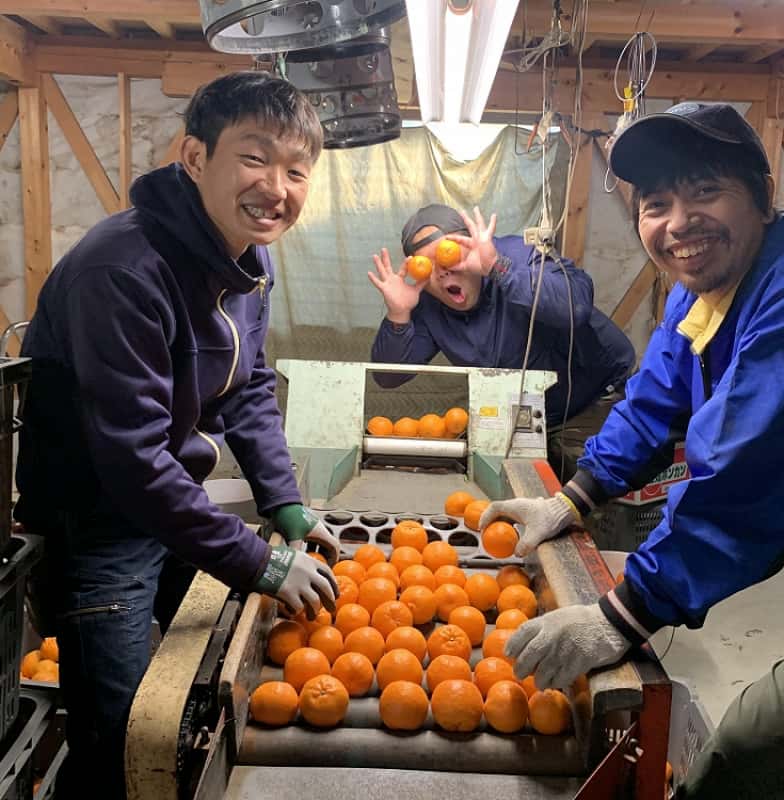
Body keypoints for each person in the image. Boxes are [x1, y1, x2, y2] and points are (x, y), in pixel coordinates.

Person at [14, 73, 340, 799]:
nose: (277, 188)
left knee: (205, 680)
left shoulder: (248, 258)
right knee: (125, 742)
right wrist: (259, 561)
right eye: (255, 158)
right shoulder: (122, 271)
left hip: (167, 508)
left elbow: (249, 385)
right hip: (95, 528)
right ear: (194, 157)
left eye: (296, 170)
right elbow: (132, 459)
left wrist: (284, 502)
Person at [480, 102, 784, 799]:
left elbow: (741, 468)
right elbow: (655, 398)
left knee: (754, 744)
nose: (679, 222)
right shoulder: (705, 289)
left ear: (762, 197)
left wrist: (623, 614)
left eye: (706, 190)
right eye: (657, 205)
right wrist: (575, 495)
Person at [368, 204, 635, 478]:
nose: (442, 272)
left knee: (584, 478)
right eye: (426, 266)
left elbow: (575, 305)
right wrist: (398, 316)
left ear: (468, 245)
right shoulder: (429, 301)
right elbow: (388, 377)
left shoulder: (515, 256)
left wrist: (497, 268)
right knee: (494, 478)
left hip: (595, 397)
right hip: (525, 414)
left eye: (446, 255)